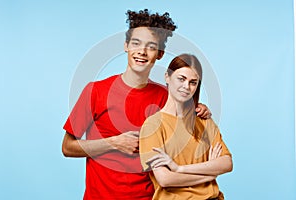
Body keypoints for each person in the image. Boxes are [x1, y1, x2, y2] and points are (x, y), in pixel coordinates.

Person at [62, 10, 211, 200]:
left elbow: (188, 142)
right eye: (136, 43)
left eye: (151, 46)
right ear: (126, 46)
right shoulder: (95, 91)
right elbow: (67, 147)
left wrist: (200, 111)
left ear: (160, 54)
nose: (142, 51)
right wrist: (114, 143)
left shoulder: (167, 97)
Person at [139, 54, 233, 200]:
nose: (186, 87)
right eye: (181, 79)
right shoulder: (152, 126)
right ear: (167, 77)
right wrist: (210, 173)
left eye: (193, 82)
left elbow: (226, 163)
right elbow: (165, 179)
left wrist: (179, 169)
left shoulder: (204, 121)